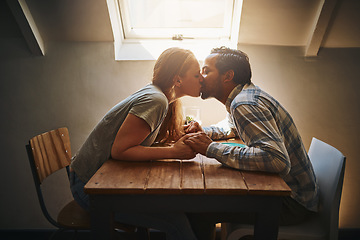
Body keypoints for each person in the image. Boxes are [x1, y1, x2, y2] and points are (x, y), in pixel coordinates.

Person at [184, 46, 319, 240]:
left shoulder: (244, 104)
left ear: (227, 76)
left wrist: (210, 148)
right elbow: (233, 128)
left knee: (200, 209)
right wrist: (204, 132)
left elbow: (277, 160)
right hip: (300, 196)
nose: (201, 76)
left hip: (292, 203)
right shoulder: (243, 96)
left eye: (206, 70)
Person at [70, 47, 202, 240]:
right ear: (177, 79)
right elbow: (120, 151)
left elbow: (143, 137)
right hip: (90, 188)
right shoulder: (156, 100)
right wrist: (174, 151)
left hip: (101, 182)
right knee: (176, 221)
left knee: (178, 209)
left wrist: (183, 130)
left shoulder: (162, 96)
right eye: (197, 75)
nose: (202, 80)